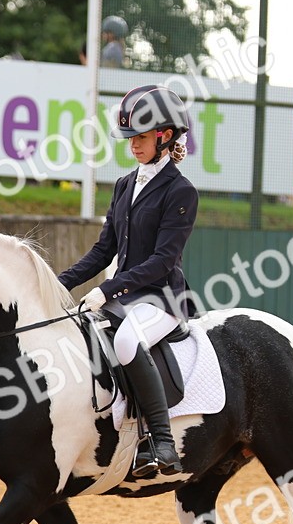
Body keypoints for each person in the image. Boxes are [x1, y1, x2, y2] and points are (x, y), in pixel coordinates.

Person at [58, 85, 197, 477]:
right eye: (130, 138)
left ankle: (163, 443)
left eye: (140, 137)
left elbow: (162, 260)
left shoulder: (180, 190)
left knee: (126, 340)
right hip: (123, 297)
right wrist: (59, 284)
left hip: (161, 299)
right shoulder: (123, 185)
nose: (133, 145)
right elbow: (104, 251)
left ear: (164, 136)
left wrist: (106, 289)